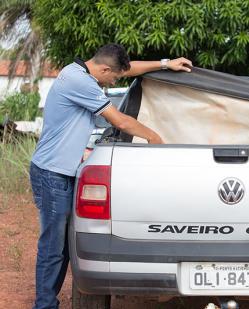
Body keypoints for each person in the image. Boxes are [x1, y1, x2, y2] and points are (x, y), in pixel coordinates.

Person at [29, 43, 192, 309]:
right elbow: (120, 121)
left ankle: (48, 302)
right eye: (113, 77)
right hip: (52, 174)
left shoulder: (82, 72)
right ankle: (44, 305)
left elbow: (127, 70)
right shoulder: (79, 82)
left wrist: (165, 63)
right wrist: (154, 137)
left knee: (64, 246)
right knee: (53, 246)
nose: (115, 81)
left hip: (60, 171)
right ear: (104, 69)